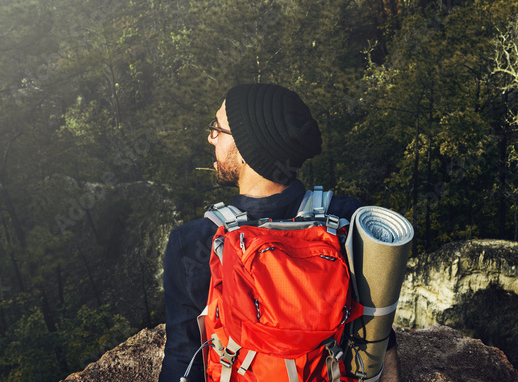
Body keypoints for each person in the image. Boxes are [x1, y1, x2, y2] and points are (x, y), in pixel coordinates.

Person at [159, 83, 400, 382]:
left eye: (217, 129)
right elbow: (378, 336)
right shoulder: (345, 218)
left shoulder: (195, 241)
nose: (211, 138)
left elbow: (183, 359)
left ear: (248, 149)